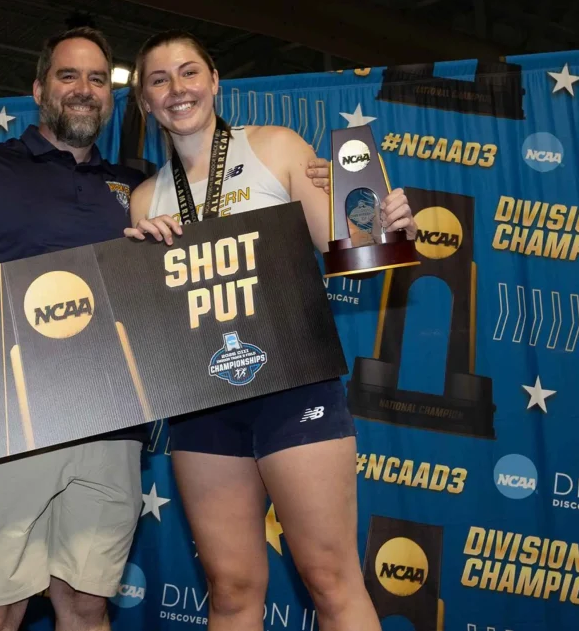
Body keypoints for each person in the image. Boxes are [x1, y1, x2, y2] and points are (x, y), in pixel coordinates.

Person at [0, 27, 336, 631]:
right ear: (39, 89)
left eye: (98, 79)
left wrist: (335, 191)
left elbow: (201, 277)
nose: (84, 90)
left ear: (115, 98)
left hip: (112, 426)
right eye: (68, 76)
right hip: (5, 421)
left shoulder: (140, 190)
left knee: (87, 606)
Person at [124, 31, 419, 631]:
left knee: (330, 578)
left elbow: (352, 249)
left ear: (215, 82)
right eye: (159, 80)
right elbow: (154, 317)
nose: (177, 88)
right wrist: (141, 263)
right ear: (145, 101)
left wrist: (387, 228)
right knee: (231, 590)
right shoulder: (144, 199)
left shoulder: (277, 146)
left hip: (294, 385)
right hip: (203, 401)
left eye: (189, 72)